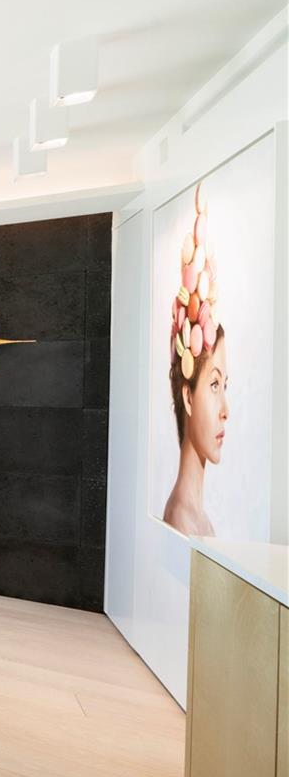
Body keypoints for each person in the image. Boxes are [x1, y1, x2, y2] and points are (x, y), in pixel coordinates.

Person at [162, 181, 227, 536]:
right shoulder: (182, 519)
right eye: (214, 384)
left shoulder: (203, 524)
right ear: (187, 396)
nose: (225, 409)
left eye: (223, 385)